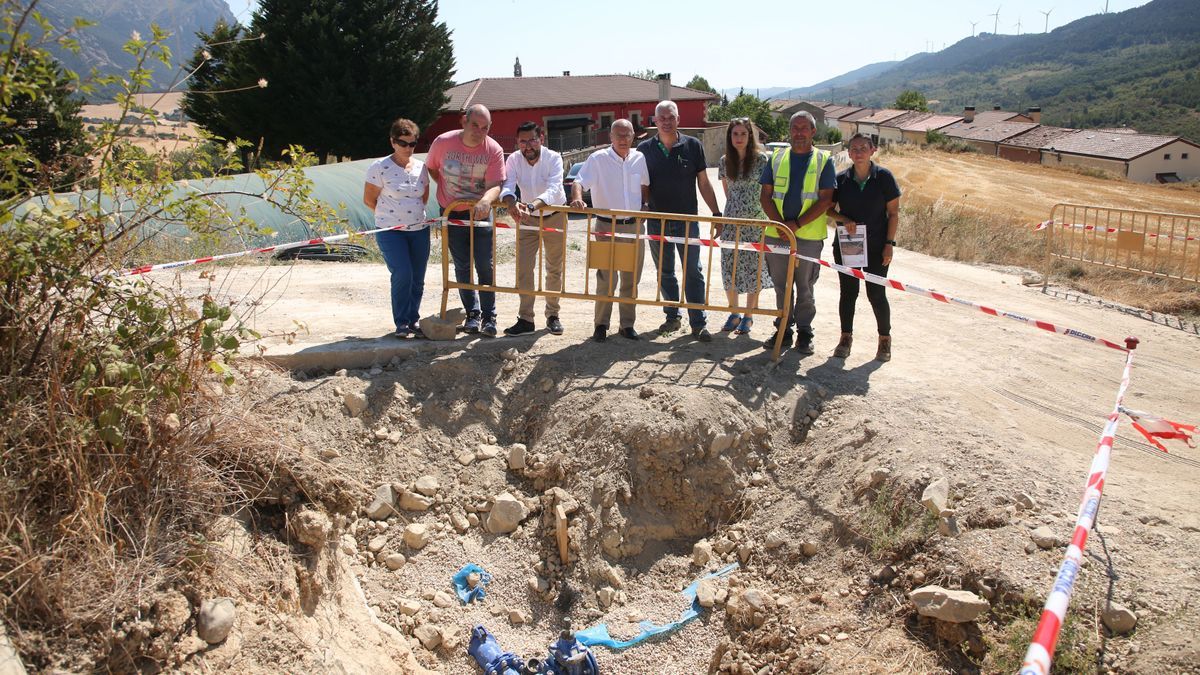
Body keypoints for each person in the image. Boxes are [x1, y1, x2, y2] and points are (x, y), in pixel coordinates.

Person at [638, 100, 722, 342]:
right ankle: (672, 317)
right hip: (657, 221)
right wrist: (642, 208)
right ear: (654, 121)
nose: (665, 121)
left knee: (693, 272)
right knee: (665, 272)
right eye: (661, 117)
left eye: (670, 117)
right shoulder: (644, 149)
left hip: (687, 221)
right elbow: (641, 184)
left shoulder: (693, 145)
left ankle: (698, 323)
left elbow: (704, 183)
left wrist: (716, 214)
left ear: (678, 119)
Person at [425, 104, 506, 337]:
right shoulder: (443, 142)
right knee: (462, 265)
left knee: (484, 264)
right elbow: (432, 169)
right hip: (452, 212)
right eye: (474, 125)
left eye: (485, 127)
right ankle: (472, 314)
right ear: (463, 122)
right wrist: (449, 191)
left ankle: (489, 317)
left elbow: (495, 185)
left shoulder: (493, 150)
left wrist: (485, 201)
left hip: (479, 214)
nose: (479, 131)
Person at [759, 111, 836, 354]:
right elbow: (765, 196)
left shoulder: (824, 160)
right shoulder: (776, 158)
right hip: (777, 234)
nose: (799, 133)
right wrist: (782, 226)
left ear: (813, 132)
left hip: (808, 238)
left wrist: (796, 225)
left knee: (804, 287)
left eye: (804, 128)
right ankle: (783, 329)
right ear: (789, 131)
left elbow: (826, 201)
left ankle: (804, 332)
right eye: (795, 128)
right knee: (781, 286)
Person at [569, 119, 648, 342]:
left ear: (634, 136)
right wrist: (576, 199)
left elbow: (644, 184)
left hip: (633, 226)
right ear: (610, 137)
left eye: (627, 135)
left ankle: (627, 325)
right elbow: (579, 182)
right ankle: (601, 325)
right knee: (606, 278)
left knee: (631, 278)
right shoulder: (598, 159)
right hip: (605, 225)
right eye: (619, 135)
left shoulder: (639, 158)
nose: (623, 139)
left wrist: (645, 205)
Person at [827, 133, 901, 362]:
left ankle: (884, 341)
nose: (858, 152)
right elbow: (829, 210)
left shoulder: (884, 177)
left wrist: (889, 245)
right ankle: (846, 338)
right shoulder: (841, 179)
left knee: (876, 294)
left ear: (873, 150)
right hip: (848, 245)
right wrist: (843, 219)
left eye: (862, 148)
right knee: (848, 294)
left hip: (877, 245)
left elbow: (894, 213)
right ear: (848, 153)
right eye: (854, 148)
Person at [363, 118, 431, 338]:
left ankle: (413, 319)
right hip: (390, 231)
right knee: (403, 273)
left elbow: (424, 197)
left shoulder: (421, 167)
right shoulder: (379, 167)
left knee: (418, 276)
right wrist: (390, 218)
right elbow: (369, 199)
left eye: (413, 144)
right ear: (393, 142)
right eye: (404, 143)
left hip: (419, 229)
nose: (409, 148)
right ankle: (401, 322)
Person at [500, 121, 567, 336]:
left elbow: (555, 189)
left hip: (554, 216)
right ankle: (526, 319)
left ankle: (553, 315)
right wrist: (511, 203)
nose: (527, 146)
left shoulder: (554, 158)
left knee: (554, 268)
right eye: (522, 141)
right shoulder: (513, 159)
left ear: (541, 139)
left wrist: (531, 205)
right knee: (524, 268)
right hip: (527, 219)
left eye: (532, 140)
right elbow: (508, 186)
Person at [716, 118, 773, 335]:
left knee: (752, 270)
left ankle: (748, 316)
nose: (739, 138)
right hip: (731, 222)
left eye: (743, 134)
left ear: (750, 137)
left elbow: (768, 191)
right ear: (730, 137)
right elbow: (727, 191)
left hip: (755, 222)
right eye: (735, 134)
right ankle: (734, 312)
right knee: (729, 268)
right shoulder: (724, 161)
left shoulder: (761, 160)